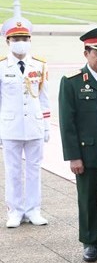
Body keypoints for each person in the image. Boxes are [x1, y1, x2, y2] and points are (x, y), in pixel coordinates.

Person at [59, 27, 97, 262]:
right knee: (86, 198)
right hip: (86, 153)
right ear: (86, 53)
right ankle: (89, 240)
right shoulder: (72, 82)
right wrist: (73, 156)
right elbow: (67, 122)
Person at [1, 17, 50, 228]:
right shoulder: (2, 66)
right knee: (12, 171)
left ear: (30, 40)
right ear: (8, 42)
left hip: (34, 125)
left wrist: (47, 125)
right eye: (16, 38)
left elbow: (44, 97)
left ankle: (33, 210)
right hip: (10, 125)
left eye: (24, 38)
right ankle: (15, 211)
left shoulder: (38, 64)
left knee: (33, 170)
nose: (21, 42)